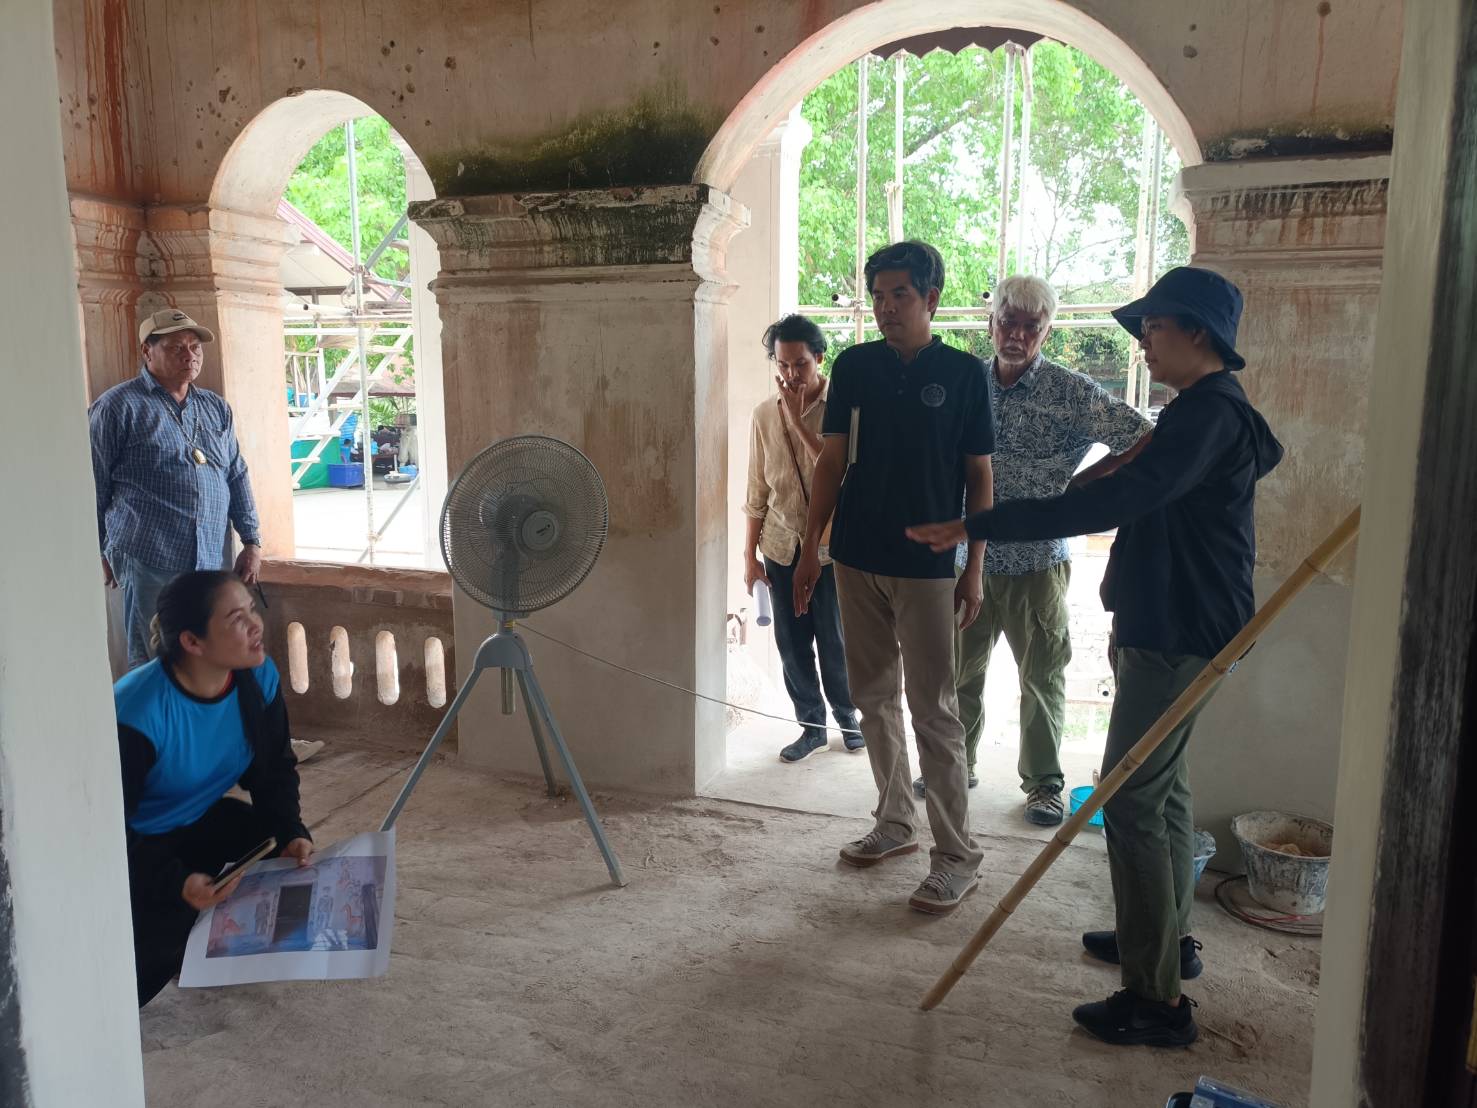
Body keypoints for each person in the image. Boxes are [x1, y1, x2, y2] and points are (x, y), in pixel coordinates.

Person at [908, 266, 1283, 1045]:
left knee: (1134, 801)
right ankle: (1165, 940)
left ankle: (1155, 1003)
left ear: (1196, 334)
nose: (1142, 342)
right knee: (1164, 791)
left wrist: (982, 523)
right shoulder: (1200, 414)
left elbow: (1109, 503)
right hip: (1176, 625)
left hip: (1180, 632)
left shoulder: (1206, 417)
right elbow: (1173, 480)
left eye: (1153, 328)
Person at [794, 240, 993, 915]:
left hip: (930, 566)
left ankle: (957, 855)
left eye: (899, 295)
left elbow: (978, 477)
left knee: (933, 709)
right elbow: (829, 463)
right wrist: (808, 548)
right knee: (872, 696)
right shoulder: (854, 366)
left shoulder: (963, 375)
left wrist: (973, 571)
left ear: (931, 299)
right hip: (855, 555)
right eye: (876, 296)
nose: (884, 308)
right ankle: (893, 822)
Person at [911, 276, 1152, 826]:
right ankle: (957, 764)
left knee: (1041, 676)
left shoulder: (1070, 391)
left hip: (1038, 561)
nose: (1016, 335)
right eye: (1007, 322)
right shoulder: (965, 382)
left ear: (1046, 331)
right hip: (967, 561)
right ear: (990, 323)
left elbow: (1142, 437)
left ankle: (1043, 783)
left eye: (1030, 326)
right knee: (957, 672)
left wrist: (1082, 484)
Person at [117, 570, 315, 1005]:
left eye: (251, 609)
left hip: (197, 820)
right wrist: (176, 882)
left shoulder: (256, 678)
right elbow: (101, 830)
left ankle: (205, 944)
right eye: (235, 618)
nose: (255, 624)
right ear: (192, 642)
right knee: (148, 959)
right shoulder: (138, 713)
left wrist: (292, 831)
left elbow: (274, 770)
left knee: (270, 840)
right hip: (133, 848)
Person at [90, 309, 264, 669]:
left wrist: (251, 541)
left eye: (195, 347)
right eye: (176, 348)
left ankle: (197, 723)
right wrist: (99, 549)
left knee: (206, 654)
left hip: (208, 560)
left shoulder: (214, 408)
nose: (190, 356)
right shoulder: (118, 407)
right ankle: (157, 727)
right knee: (156, 658)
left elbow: (236, 474)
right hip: (148, 558)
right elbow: (93, 483)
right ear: (147, 351)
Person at [742, 314, 861, 762]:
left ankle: (849, 719)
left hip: (833, 547)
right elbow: (756, 491)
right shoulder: (760, 415)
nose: (792, 375)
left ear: (820, 360)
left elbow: (846, 473)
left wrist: (797, 423)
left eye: (802, 365)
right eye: (784, 365)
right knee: (791, 642)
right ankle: (810, 726)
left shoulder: (844, 409)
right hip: (779, 544)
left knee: (836, 639)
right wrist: (748, 557)